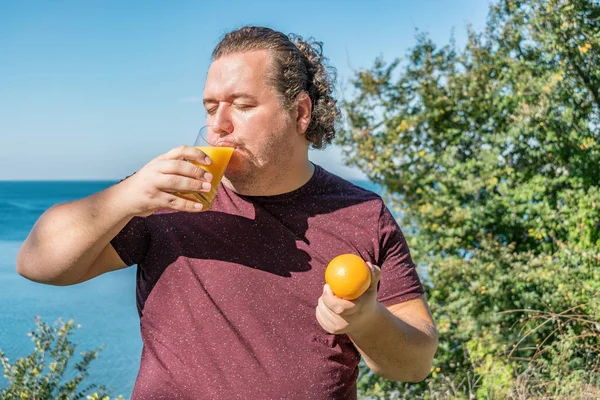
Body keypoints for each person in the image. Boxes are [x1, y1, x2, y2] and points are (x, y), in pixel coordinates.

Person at [17, 26, 438, 399]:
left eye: (242, 104)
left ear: (301, 112)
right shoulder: (170, 194)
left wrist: (365, 320)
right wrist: (125, 196)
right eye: (210, 106)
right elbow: (37, 263)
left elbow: (415, 362)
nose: (218, 124)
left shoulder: (360, 212)